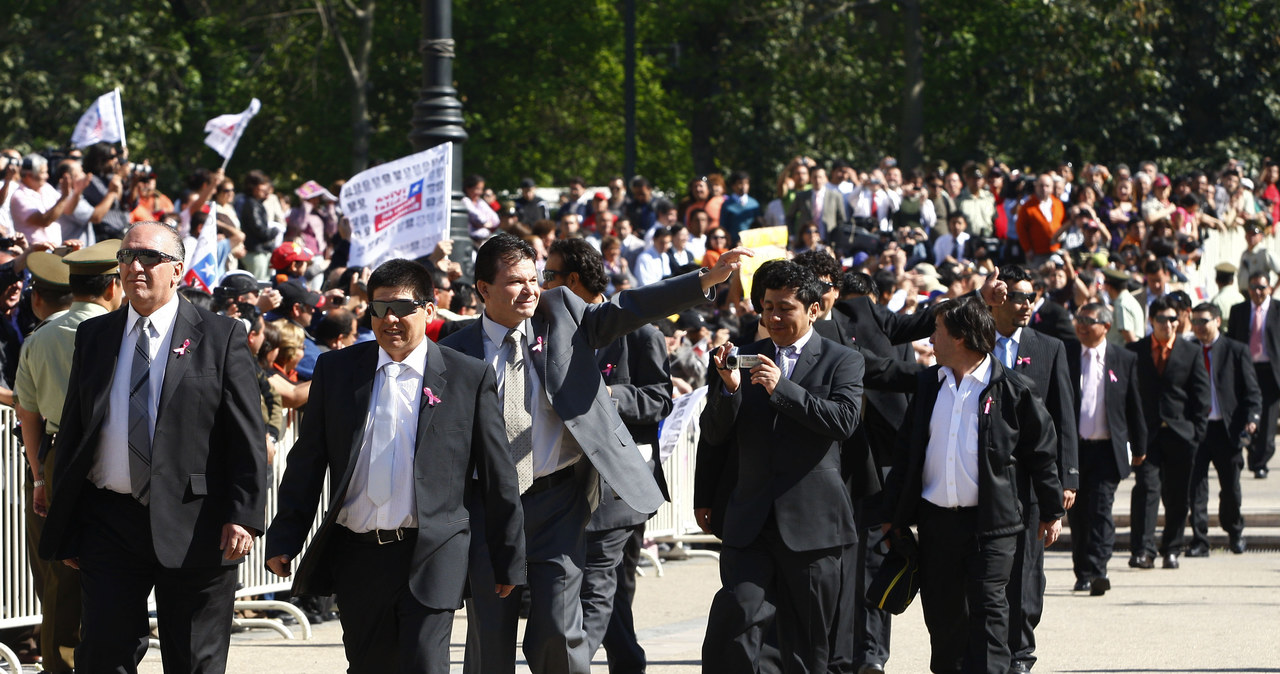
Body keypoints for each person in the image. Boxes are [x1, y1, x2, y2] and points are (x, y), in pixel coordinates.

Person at [442, 233, 747, 674]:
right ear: (483, 290)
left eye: (534, 279)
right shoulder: (455, 351)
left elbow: (631, 306)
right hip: (488, 507)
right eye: (515, 282)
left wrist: (704, 279)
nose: (530, 290)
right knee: (490, 635)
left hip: (557, 500)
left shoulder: (561, 313)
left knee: (557, 632)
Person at [265, 258, 524, 673]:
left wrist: (509, 557)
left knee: (425, 664)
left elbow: (498, 475)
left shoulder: (467, 377)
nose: (391, 320)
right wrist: (285, 536)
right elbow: (308, 460)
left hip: (432, 553)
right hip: (359, 555)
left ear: (429, 309)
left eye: (403, 309)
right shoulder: (339, 371)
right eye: (380, 309)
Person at [39, 221, 267, 673]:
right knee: (103, 654)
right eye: (126, 257)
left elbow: (246, 434)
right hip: (109, 520)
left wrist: (243, 514)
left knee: (193, 660)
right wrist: (65, 509)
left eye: (149, 258)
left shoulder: (220, 336)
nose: (135, 267)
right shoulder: (96, 336)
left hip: (196, 520)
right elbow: (76, 429)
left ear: (178, 270)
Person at [883, 295, 1063, 674]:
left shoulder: (1014, 389)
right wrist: (893, 514)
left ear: (961, 337)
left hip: (992, 526)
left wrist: (1051, 512)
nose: (930, 340)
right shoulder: (929, 386)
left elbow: (1042, 455)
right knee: (943, 615)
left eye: (937, 331)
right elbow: (906, 455)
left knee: (989, 609)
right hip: (936, 525)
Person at [699, 261, 863, 674]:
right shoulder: (741, 357)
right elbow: (715, 434)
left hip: (812, 526)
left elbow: (843, 421)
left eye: (784, 308)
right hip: (751, 519)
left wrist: (780, 388)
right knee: (735, 620)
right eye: (767, 307)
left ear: (812, 310)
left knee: (806, 646)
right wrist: (730, 390)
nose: (772, 317)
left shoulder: (843, 359)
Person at [542, 239, 672, 672]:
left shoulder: (641, 333)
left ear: (573, 281)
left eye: (550, 276)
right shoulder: (548, 329)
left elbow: (659, 399)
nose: (542, 286)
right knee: (607, 589)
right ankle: (629, 661)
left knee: (600, 587)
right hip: (565, 485)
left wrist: (609, 397)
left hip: (618, 487)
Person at [12, 244, 118, 673]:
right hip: (117, 454)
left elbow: (28, 414)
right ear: (113, 285)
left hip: (58, 456)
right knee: (120, 568)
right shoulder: (121, 331)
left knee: (58, 577)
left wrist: (40, 478)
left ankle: (60, 665)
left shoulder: (39, 340)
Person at [988, 265, 1077, 673]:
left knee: (1028, 567)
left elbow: (1063, 416)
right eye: (1019, 296)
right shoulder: (975, 342)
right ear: (999, 298)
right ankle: (991, 646)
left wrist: (1066, 478)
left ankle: (1021, 652)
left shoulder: (1049, 347)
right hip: (985, 474)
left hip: (1032, 476)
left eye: (1031, 297)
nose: (1026, 305)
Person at [1065, 302, 1146, 596]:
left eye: (1089, 320)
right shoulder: (1067, 354)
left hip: (1107, 450)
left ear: (1106, 327)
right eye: (1079, 319)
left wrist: (1139, 445)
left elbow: (1133, 405)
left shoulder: (1123, 358)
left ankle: (1098, 570)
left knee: (1101, 510)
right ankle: (1082, 572)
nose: (1082, 325)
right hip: (1074, 450)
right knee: (1077, 515)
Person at [1126, 296, 1210, 570]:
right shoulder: (1134, 351)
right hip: (1146, 435)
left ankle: (1172, 547)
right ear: (1151, 321)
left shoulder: (1190, 351)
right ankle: (1143, 549)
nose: (1169, 325)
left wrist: (1196, 433)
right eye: (1162, 319)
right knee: (1147, 490)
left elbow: (1201, 396)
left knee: (1177, 495)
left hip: (1181, 434)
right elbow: (1126, 395)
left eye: (1173, 319)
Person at [1188, 303, 1258, 556]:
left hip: (1227, 429)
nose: (1198, 327)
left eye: (1203, 321)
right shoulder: (1188, 350)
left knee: (1231, 487)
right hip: (1197, 430)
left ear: (1217, 321)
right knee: (1195, 486)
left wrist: (1252, 418)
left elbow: (1251, 390)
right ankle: (1199, 539)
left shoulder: (1235, 350)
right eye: (1194, 322)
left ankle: (1235, 531)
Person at [1227, 270, 1280, 479]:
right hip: (1246, 370)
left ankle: (1260, 462)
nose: (1257, 292)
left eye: (1262, 287)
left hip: (1271, 372)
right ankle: (1252, 452)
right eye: (1253, 288)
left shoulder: (1277, 310)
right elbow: (1231, 340)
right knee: (1247, 415)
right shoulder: (1238, 311)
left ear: (1269, 288)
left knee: (1268, 420)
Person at [1016, 174, 1065, 267]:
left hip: (1055, 251)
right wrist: (1027, 249)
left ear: (1052, 188)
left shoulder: (1058, 204)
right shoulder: (1027, 206)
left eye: (1047, 186)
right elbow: (1021, 229)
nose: (1044, 189)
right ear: (1036, 186)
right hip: (1036, 254)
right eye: (1041, 186)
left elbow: (1063, 224)